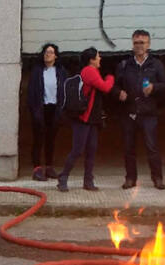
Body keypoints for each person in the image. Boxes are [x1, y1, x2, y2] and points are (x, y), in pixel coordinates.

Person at [113, 29, 165, 190]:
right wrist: (119, 93)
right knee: (128, 148)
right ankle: (130, 178)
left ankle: (157, 178)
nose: (139, 46)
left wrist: (154, 87)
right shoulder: (124, 65)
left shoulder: (156, 64)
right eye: (136, 43)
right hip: (128, 113)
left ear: (148, 44)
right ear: (132, 44)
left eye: (142, 43)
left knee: (152, 148)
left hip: (149, 113)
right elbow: (115, 86)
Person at [57, 47, 114, 192]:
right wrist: (110, 77)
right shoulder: (89, 71)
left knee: (91, 150)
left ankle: (88, 181)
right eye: (98, 56)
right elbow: (105, 87)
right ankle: (63, 178)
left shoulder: (91, 71)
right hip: (83, 118)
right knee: (77, 150)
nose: (100, 58)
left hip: (92, 119)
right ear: (91, 60)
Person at [27, 43, 68, 181]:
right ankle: (37, 169)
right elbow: (31, 92)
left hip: (54, 108)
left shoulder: (61, 71)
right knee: (38, 139)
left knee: (51, 139)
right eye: (45, 52)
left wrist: (62, 109)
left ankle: (49, 167)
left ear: (56, 56)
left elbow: (65, 91)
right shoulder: (37, 71)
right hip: (41, 108)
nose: (47, 54)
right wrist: (34, 110)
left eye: (50, 52)